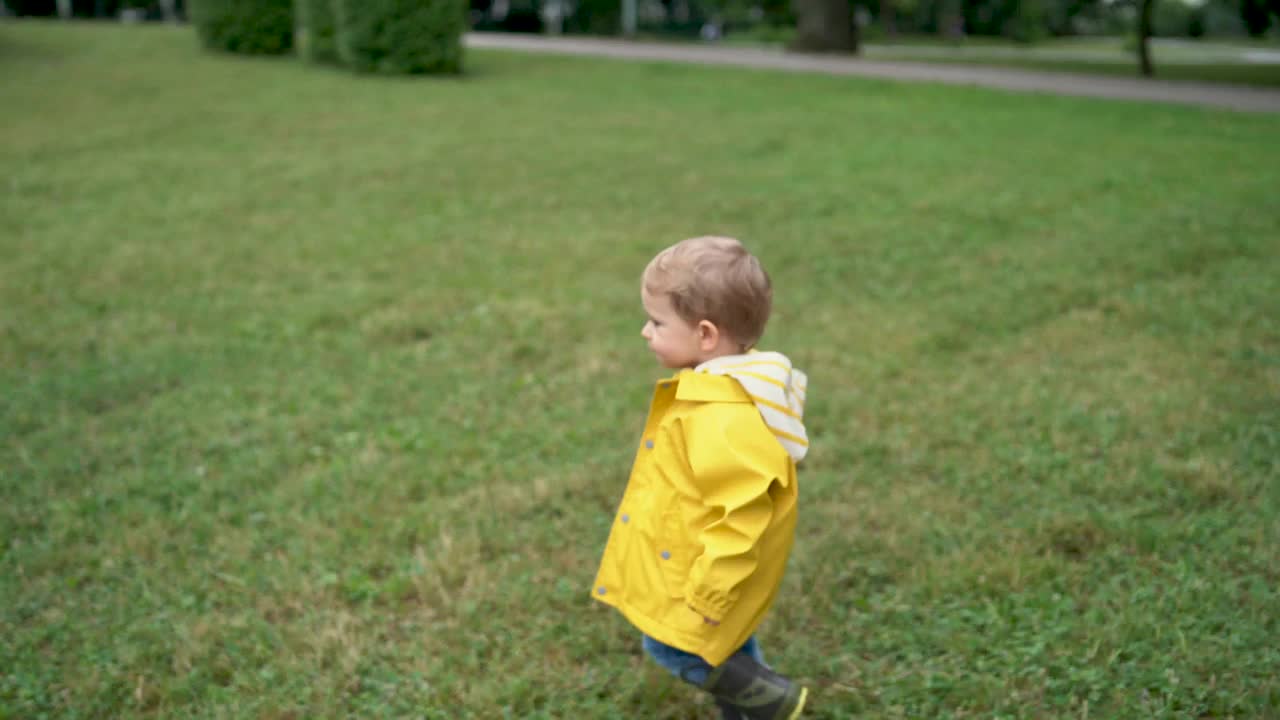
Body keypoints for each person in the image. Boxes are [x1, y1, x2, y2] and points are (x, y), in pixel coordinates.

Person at [591, 236, 810, 719]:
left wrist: (713, 586)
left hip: (704, 571)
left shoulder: (723, 416)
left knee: (671, 646)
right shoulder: (721, 393)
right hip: (696, 558)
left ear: (706, 335)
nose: (645, 332)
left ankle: (774, 701)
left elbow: (743, 513)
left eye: (657, 321)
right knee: (727, 643)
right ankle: (749, 709)